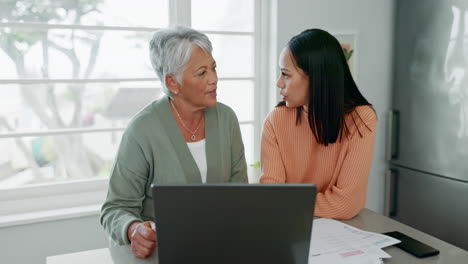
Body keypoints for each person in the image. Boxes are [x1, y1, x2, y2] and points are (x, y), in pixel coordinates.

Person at [100, 26, 248, 259]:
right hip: (161, 255)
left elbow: (239, 195)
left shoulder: (227, 118)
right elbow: (115, 208)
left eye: (214, 68)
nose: (214, 79)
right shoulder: (142, 129)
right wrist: (134, 229)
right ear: (173, 83)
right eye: (202, 73)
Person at [260, 28, 377, 220]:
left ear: (315, 77)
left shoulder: (361, 119)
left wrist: (288, 202)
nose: (279, 83)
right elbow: (271, 196)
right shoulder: (276, 120)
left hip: (341, 234)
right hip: (289, 226)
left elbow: (346, 204)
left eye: (286, 74)